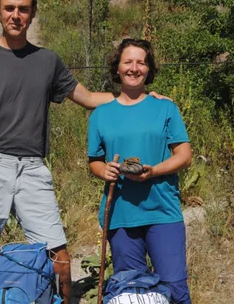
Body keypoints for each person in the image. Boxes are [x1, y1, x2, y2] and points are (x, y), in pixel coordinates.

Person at [0, 0, 164, 304]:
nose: (16, 15)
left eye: (24, 9)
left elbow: (85, 97)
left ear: (32, 14)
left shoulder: (47, 60)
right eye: (10, 8)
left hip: (33, 167)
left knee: (60, 260)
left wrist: (135, 98)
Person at [88, 38, 192, 304]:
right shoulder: (101, 114)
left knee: (175, 288)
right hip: (121, 215)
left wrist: (154, 171)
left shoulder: (165, 107)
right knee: (131, 292)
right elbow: (94, 160)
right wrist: (105, 171)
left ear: (148, 69)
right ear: (118, 67)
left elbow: (184, 156)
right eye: (128, 62)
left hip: (163, 212)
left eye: (141, 62)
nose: (134, 68)